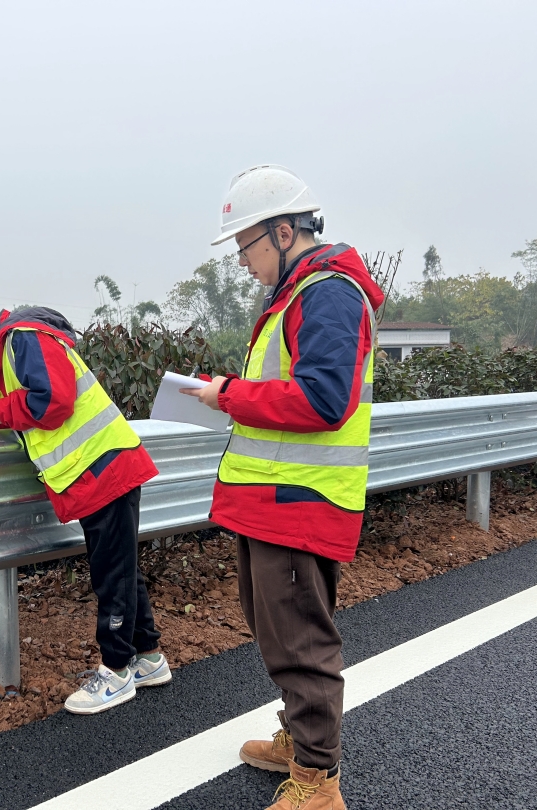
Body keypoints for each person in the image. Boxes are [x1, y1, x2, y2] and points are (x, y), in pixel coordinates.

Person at [184, 165, 384, 810]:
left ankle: (318, 781)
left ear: (283, 231)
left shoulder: (327, 293)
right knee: (279, 631)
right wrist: (231, 394)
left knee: (301, 640)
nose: (243, 263)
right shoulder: (298, 294)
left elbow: (323, 400)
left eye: (246, 247)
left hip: (300, 501)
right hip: (273, 500)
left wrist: (230, 395)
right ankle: (301, 741)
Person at [0, 301, 170, 714]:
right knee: (121, 570)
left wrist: (2, 410)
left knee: (112, 575)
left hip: (103, 469)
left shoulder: (24, 339)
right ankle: (149, 659)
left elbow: (54, 401)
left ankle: (117, 672)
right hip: (95, 473)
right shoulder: (6, 363)